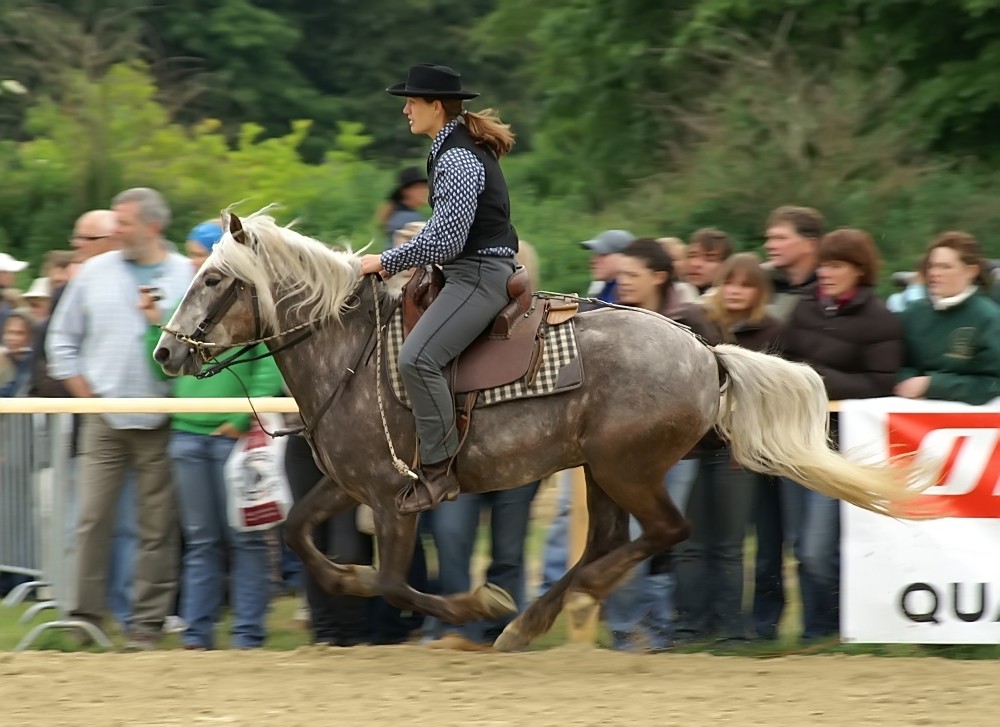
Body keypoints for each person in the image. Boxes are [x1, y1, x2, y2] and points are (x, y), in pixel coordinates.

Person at [359, 63, 519, 515]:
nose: (406, 109)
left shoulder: (457, 156)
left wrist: (384, 261)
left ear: (436, 106)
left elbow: (448, 239)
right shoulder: (448, 148)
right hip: (467, 270)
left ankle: (438, 472)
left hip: (477, 275)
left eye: (412, 102)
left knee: (417, 358)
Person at [47, 187, 195, 650]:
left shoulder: (186, 276)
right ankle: (84, 619)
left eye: (124, 222)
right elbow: (61, 344)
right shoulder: (92, 273)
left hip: (164, 416)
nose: (115, 230)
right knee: (91, 521)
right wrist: (89, 401)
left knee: (157, 527)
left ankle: (146, 625)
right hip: (103, 420)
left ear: (152, 226)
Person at [145, 221, 282, 650]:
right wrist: (153, 328)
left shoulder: (243, 307)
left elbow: (269, 365)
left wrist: (242, 420)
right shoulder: (187, 304)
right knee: (202, 542)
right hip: (187, 436)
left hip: (230, 438)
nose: (190, 262)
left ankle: (247, 636)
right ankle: (197, 636)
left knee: (243, 539)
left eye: (197, 254)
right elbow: (162, 366)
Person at [896, 231, 1000, 405]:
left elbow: (993, 383)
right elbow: (895, 364)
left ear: (971, 271)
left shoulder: (989, 318)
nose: (934, 273)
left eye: (945, 267)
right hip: (911, 416)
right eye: (932, 266)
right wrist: (906, 381)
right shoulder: (913, 313)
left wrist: (934, 385)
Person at [378, 167, 429, 249]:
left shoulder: (396, 215)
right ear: (406, 191)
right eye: (418, 187)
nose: (424, 191)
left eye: (424, 187)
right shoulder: (409, 218)